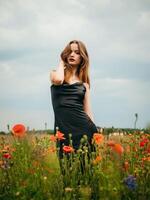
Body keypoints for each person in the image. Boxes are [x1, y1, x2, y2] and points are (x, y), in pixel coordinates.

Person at [50, 40, 98, 158]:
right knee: (66, 168)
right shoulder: (55, 74)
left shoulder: (84, 86)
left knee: (84, 168)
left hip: (84, 130)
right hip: (63, 132)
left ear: (82, 58)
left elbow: (88, 112)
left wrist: (95, 135)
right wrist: (62, 61)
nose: (72, 55)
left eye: (77, 52)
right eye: (69, 52)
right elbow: (58, 81)